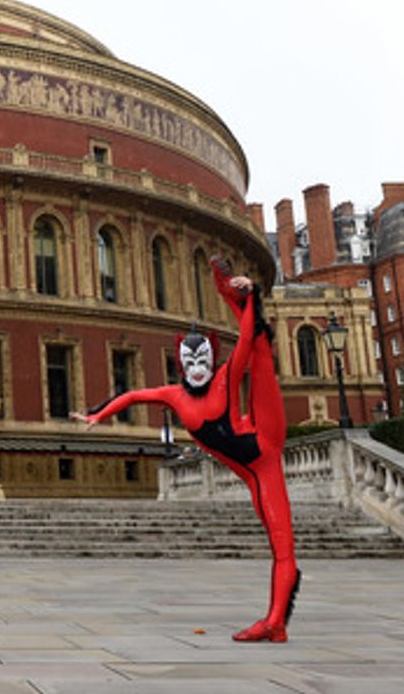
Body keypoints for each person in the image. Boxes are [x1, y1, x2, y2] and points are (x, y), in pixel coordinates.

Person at [71, 257, 299, 643]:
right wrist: (98, 415)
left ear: (212, 360)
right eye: (190, 360)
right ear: (181, 362)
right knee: (279, 543)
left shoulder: (225, 378)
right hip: (252, 467)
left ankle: (275, 622)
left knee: (259, 350)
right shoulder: (175, 396)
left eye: (203, 359)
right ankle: (275, 624)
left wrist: (250, 296)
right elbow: (133, 395)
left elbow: (244, 340)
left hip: (264, 444)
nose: (196, 367)